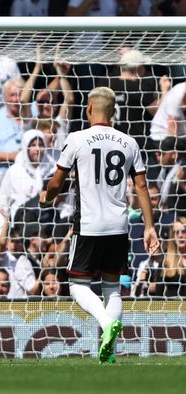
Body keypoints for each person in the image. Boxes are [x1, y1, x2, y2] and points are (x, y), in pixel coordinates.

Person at [40, 86, 160, 364]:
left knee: (77, 286)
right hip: (118, 226)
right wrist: (149, 227)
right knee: (112, 288)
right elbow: (141, 185)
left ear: (89, 109)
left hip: (89, 225)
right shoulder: (128, 142)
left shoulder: (77, 139)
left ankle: (106, 324)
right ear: (114, 112)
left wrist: (47, 199)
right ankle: (110, 353)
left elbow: (57, 182)